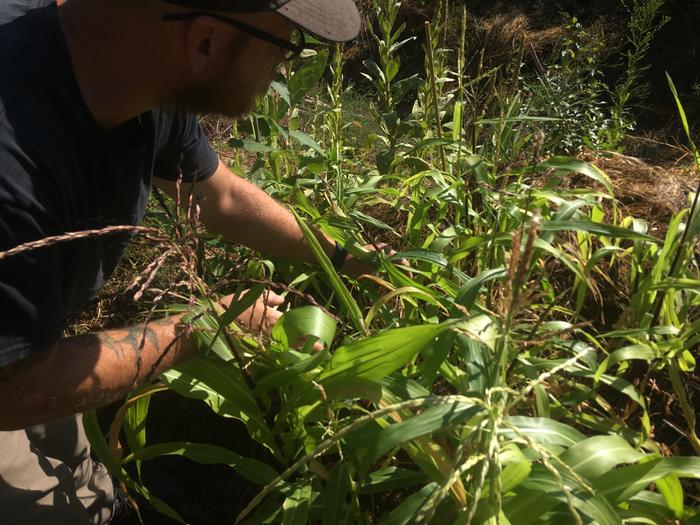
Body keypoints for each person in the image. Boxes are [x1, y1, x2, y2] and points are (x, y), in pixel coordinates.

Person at [0, 0, 371, 523]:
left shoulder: (130, 64)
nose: (284, 66)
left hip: (24, 341)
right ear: (205, 42)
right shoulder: (13, 157)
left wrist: (340, 256)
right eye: (285, 42)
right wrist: (202, 329)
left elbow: (221, 197)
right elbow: (15, 390)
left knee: (75, 459)